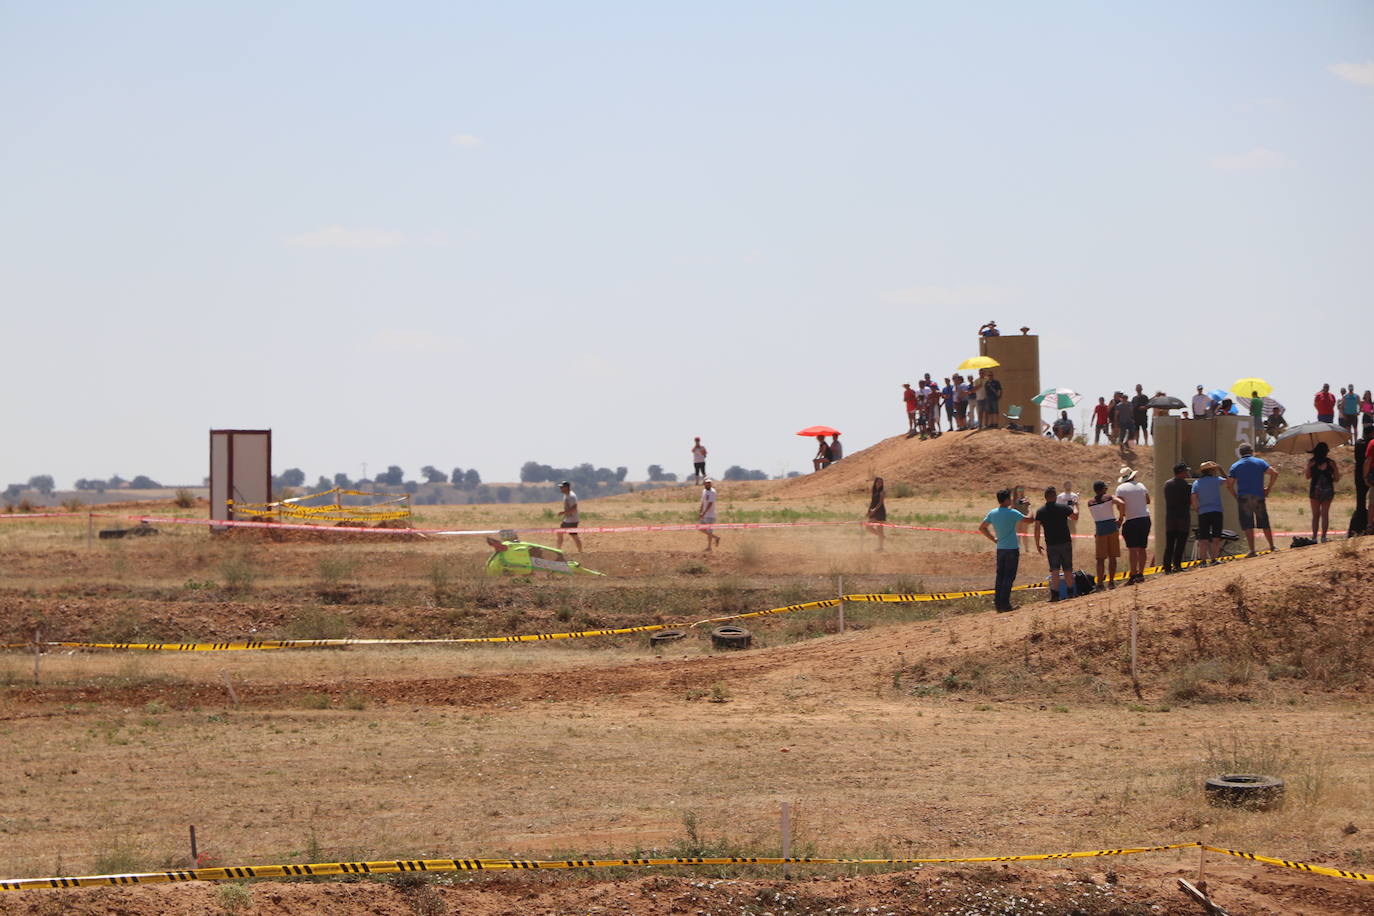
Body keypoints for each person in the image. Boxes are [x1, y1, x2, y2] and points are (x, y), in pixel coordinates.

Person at [978, 488, 1030, 612]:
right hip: (1012, 548)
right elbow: (1029, 520)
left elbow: (982, 528)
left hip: (1000, 548)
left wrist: (993, 539)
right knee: (1009, 577)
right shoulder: (1012, 513)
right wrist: (1029, 507)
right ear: (1006, 500)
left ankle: (998, 604)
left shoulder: (992, 513)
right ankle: (1005, 604)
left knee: (1000, 576)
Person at [1226, 443, 1278, 556]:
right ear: (1251, 451)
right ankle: (1272, 546)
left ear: (1240, 453)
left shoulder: (1236, 466)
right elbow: (1274, 473)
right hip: (1258, 496)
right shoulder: (1260, 462)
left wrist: (1235, 496)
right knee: (1264, 522)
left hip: (1244, 498)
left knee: (1247, 524)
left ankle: (1252, 550)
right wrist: (1268, 488)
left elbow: (1229, 485)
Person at [1034, 486, 1079, 601]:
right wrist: (1075, 505)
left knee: (1054, 570)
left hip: (1051, 544)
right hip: (1065, 542)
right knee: (1068, 569)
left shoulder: (1040, 511)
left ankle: (1055, 595)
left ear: (1045, 497)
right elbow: (1075, 516)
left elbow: (1037, 529)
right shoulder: (1063, 508)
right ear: (1055, 496)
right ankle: (1071, 593)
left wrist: (1037, 544)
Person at [1115, 467, 1151, 584]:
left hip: (1131, 520)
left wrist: (1121, 518)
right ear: (1133, 476)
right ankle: (1141, 574)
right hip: (1145, 518)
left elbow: (1120, 505)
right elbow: (1148, 500)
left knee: (1132, 549)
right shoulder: (1141, 485)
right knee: (1142, 547)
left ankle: (1133, 574)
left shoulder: (1120, 488)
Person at [1087, 481, 1124, 589]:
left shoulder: (1090, 502)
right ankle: (1111, 582)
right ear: (1103, 489)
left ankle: (1099, 584)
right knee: (1112, 557)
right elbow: (1121, 503)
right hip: (1112, 527)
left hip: (1100, 528)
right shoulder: (1109, 497)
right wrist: (1121, 518)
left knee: (1100, 559)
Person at [1192, 461, 1225, 565]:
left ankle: (1203, 561)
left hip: (1203, 512)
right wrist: (1221, 469)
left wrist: (1196, 508)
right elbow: (1229, 480)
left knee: (1203, 538)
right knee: (1216, 537)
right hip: (1216, 511)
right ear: (1211, 470)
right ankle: (1214, 559)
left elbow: (1193, 496)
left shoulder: (1197, 483)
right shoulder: (1217, 480)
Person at [1305, 442, 1340, 543]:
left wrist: (1309, 467)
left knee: (1315, 515)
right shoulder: (1331, 463)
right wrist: (1334, 469)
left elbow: (1307, 477)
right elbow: (1337, 479)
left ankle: (1314, 537)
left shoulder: (1312, 462)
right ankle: (1324, 537)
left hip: (1314, 491)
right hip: (1328, 491)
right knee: (1325, 514)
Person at [1162, 463, 1193, 573]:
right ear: (1182, 472)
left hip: (1170, 518)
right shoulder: (1187, 486)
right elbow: (1190, 501)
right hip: (1183, 518)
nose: (1187, 473)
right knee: (1180, 543)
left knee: (1169, 543)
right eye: (1186, 471)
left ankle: (1167, 567)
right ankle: (1177, 565)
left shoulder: (1167, 484)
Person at [556, 481, 583, 552]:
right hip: (567, 519)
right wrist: (564, 515)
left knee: (574, 536)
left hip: (572, 520)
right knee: (559, 533)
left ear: (566, 488)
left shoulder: (572, 496)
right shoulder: (566, 495)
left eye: (562, 487)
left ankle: (580, 551)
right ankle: (558, 551)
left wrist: (563, 512)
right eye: (560, 487)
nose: (560, 489)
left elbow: (574, 508)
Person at [698, 478, 721, 552]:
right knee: (700, 528)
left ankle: (709, 547)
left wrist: (704, 512)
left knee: (709, 531)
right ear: (704, 483)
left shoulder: (713, 492)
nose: (708, 484)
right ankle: (716, 537)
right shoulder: (704, 491)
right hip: (704, 514)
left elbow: (710, 504)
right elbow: (703, 502)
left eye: (709, 483)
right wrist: (700, 512)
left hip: (710, 515)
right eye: (707, 483)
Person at [866, 476, 887, 551]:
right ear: (875, 483)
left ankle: (881, 547)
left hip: (880, 512)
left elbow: (881, 502)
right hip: (873, 512)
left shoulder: (882, 492)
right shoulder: (874, 491)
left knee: (880, 529)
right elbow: (872, 502)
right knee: (868, 527)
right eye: (878, 482)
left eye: (881, 482)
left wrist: (874, 509)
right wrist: (868, 511)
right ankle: (882, 536)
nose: (879, 484)